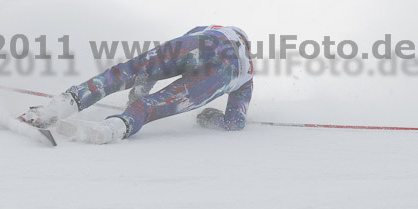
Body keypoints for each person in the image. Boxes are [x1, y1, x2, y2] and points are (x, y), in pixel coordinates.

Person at [19, 25, 254, 144]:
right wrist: (209, 117)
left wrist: (138, 90)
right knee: (152, 106)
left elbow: (155, 65)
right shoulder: (248, 76)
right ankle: (114, 129)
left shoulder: (213, 28)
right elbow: (235, 122)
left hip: (205, 43)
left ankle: (56, 108)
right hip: (227, 74)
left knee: (126, 72)